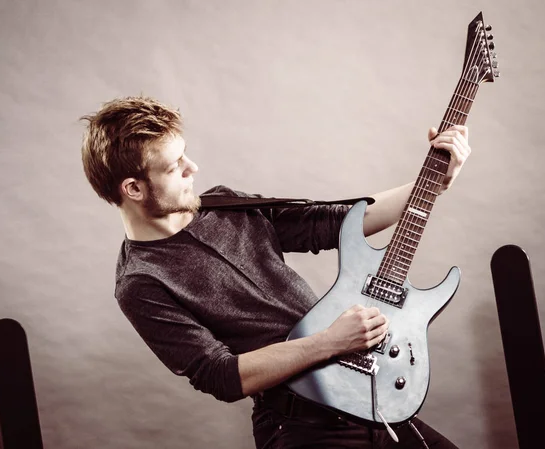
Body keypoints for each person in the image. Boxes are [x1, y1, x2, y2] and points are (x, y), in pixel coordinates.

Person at [80, 96, 470, 448]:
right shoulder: (140, 282)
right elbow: (221, 376)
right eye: (174, 167)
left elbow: (337, 222)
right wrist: (329, 342)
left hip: (369, 397)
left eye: (185, 155)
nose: (192, 167)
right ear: (133, 188)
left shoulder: (223, 206)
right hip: (301, 427)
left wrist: (435, 182)